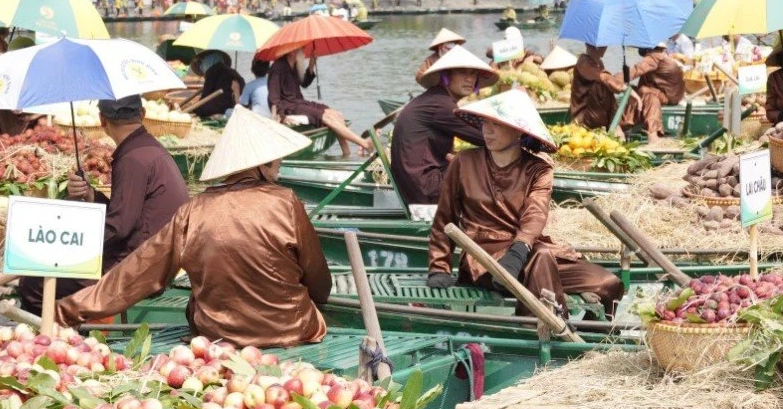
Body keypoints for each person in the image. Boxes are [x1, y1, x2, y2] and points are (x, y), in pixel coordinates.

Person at [57, 107, 332, 347]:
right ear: (263, 164)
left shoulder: (193, 210)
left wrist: (67, 310)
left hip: (216, 336)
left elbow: (138, 273)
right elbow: (319, 281)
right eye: (277, 162)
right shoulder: (286, 202)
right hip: (289, 330)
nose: (279, 169)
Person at [425, 86, 624, 314]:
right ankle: (545, 334)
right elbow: (445, 218)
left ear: (519, 131)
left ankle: (596, 337)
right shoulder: (464, 162)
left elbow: (536, 213)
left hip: (525, 252)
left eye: (497, 124)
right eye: (486, 123)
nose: (488, 130)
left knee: (608, 284)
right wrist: (439, 266)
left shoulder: (538, 169)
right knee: (542, 257)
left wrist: (517, 253)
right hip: (483, 258)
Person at [15, 94, 189, 312]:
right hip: (151, 258)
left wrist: (67, 244)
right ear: (142, 115)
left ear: (102, 120)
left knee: (34, 284)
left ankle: (55, 340)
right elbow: (127, 213)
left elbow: (119, 227)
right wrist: (90, 194)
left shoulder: (134, 158)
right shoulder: (147, 148)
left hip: (140, 267)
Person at [391, 46, 495, 219]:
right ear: (447, 76)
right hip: (424, 188)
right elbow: (487, 138)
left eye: (473, 74)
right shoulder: (440, 104)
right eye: (462, 72)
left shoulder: (438, 99)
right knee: (493, 158)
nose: (469, 79)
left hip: (420, 182)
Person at [265, 43, 371, 156]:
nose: (304, 51)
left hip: (299, 102)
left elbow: (304, 83)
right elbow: (273, 98)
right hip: (289, 107)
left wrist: (312, 63)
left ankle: (346, 153)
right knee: (325, 117)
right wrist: (282, 117)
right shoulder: (277, 68)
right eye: (302, 49)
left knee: (337, 115)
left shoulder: (293, 64)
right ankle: (364, 143)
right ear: (292, 51)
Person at [624, 41, 685, 139]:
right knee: (636, 90)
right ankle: (625, 124)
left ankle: (647, 131)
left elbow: (635, 71)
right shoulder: (664, 56)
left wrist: (613, 80)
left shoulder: (654, 57)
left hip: (668, 97)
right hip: (672, 95)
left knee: (646, 94)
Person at [567, 44, 624, 130]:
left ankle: (615, 126)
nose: (604, 48)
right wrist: (621, 86)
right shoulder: (583, 62)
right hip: (583, 118)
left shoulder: (599, 63)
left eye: (604, 45)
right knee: (601, 85)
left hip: (597, 117)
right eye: (600, 46)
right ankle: (615, 128)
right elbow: (605, 78)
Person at [184, 49, 243, 120]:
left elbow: (205, 96)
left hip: (223, 107)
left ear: (207, 61)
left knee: (200, 108)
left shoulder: (213, 71)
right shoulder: (233, 72)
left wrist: (195, 108)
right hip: (234, 105)